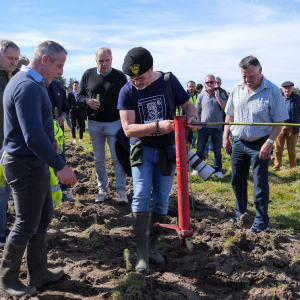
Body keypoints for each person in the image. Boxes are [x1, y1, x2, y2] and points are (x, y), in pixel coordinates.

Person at [0, 40, 77, 297]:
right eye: (59, 65)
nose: (61, 72)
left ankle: (39, 272)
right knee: (25, 222)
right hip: (25, 164)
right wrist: (61, 167)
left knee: (43, 217)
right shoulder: (27, 86)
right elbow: (31, 136)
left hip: (34, 161)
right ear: (44, 59)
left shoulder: (32, 83)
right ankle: (9, 279)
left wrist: (50, 138)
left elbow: (35, 128)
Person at [118, 47, 200, 275]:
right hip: (142, 150)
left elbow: (188, 105)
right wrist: (156, 126)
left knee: (162, 199)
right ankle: (142, 254)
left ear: (151, 69)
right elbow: (128, 129)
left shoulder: (168, 81)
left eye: (141, 78)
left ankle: (153, 246)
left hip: (167, 150)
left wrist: (193, 117)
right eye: (132, 79)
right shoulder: (126, 91)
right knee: (142, 195)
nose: (137, 82)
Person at [223, 55, 288, 233]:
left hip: (260, 143)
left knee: (260, 183)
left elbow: (280, 122)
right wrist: (225, 137)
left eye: (250, 75)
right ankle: (240, 213)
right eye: (244, 76)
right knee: (237, 180)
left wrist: (269, 143)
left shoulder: (273, 91)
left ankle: (261, 221)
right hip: (237, 142)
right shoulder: (237, 88)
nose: (247, 80)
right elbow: (229, 115)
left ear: (260, 70)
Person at [77, 46, 128, 204]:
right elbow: (79, 96)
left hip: (115, 124)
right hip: (94, 124)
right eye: (101, 61)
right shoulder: (88, 74)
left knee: (117, 159)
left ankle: (121, 191)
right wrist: (87, 101)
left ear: (111, 60)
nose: (104, 64)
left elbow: (128, 97)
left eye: (107, 60)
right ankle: (102, 190)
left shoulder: (119, 76)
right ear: (96, 61)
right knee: (99, 159)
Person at [0, 40, 20, 247]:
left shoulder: (12, 80)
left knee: (5, 191)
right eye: (10, 58)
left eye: (16, 59)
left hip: (9, 146)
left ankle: (3, 228)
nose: (14, 62)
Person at [46, 79, 74, 202]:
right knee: (43, 161)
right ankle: (46, 194)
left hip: (58, 132)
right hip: (42, 130)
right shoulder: (36, 85)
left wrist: (62, 117)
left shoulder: (58, 87)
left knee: (60, 158)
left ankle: (64, 190)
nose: (59, 72)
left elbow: (66, 107)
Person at [195, 74, 227, 178]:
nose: (209, 84)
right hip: (203, 127)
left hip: (217, 128)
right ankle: (197, 168)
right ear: (204, 84)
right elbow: (197, 111)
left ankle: (218, 170)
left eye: (211, 82)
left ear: (215, 83)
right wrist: (199, 124)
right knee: (200, 149)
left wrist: (217, 96)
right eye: (207, 82)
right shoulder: (201, 95)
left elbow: (225, 107)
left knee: (217, 150)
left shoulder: (221, 93)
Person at [273, 81, 300, 171]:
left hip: (292, 126)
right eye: (285, 88)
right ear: (282, 89)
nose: (287, 90)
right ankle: (276, 168)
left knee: (291, 150)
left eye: (289, 88)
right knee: (278, 148)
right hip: (279, 126)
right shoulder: (277, 98)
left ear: (292, 88)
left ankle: (293, 168)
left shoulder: (298, 98)